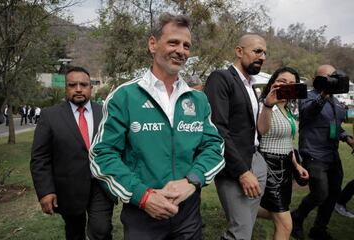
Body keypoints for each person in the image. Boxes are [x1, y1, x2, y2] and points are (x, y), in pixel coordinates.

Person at [89, 13, 225, 239]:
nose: (181, 51)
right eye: (173, 42)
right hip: (142, 213)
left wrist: (191, 181)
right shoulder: (124, 96)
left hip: (188, 213)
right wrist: (143, 196)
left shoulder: (198, 100)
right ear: (153, 44)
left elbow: (215, 147)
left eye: (186, 45)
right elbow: (102, 155)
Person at [30, 66, 115, 240]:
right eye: (72, 85)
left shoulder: (107, 113)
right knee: (74, 232)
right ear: (66, 88)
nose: (78, 89)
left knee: (102, 230)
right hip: (68, 189)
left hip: (101, 185)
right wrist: (45, 191)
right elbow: (40, 158)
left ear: (91, 88)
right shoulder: (50, 116)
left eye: (83, 84)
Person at [205, 34, 268, 240]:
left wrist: (269, 104)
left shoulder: (251, 86)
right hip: (235, 167)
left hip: (256, 160)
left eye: (265, 53)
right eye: (257, 51)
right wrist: (242, 171)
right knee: (239, 231)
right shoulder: (221, 78)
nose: (263, 56)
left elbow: (253, 127)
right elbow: (218, 128)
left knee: (246, 227)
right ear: (239, 51)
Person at [291, 64, 354, 240]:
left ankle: (319, 229)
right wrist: (323, 96)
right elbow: (308, 113)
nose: (332, 80)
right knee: (320, 193)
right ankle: (296, 217)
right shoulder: (307, 96)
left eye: (334, 76)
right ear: (317, 79)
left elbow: (334, 126)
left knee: (334, 193)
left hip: (332, 155)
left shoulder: (336, 102)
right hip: (313, 154)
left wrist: (347, 138)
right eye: (328, 77)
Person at [256, 67, 309, 240]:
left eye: (292, 83)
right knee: (286, 224)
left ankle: (244, 208)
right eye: (282, 81)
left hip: (286, 166)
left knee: (278, 214)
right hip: (269, 165)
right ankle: (242, 208)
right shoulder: (262, 105)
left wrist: (296, 164)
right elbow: (262, 130)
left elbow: (288, 142)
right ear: (273, 82)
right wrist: (268, 105)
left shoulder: (289, 109)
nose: (286, 86)